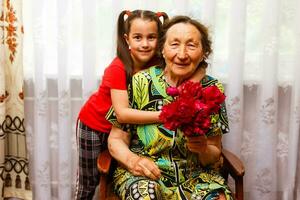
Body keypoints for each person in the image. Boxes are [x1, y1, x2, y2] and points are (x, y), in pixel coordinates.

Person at [107, 15, 233, 200]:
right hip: (145, 173)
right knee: (145, 195)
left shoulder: (212, 89)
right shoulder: (140, 82)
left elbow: (214, 151)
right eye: (174, 44)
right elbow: (116, 139)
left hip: (196, 176)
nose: (182, 54)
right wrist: (133, 161)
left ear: (204, 52)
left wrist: (204, 149)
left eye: (191, 45)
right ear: (163, 50)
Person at [75, 10, 168, 199]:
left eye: (151, 37)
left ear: (160, 39)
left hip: (119, 132)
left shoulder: (160, 64)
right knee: (89, 181)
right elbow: (123, 114)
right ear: (127, 39)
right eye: (137, 37)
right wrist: (164, 116)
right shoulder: (118, 68)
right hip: (93, 126)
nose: (144, 44)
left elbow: (200, 65)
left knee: (113, 175)